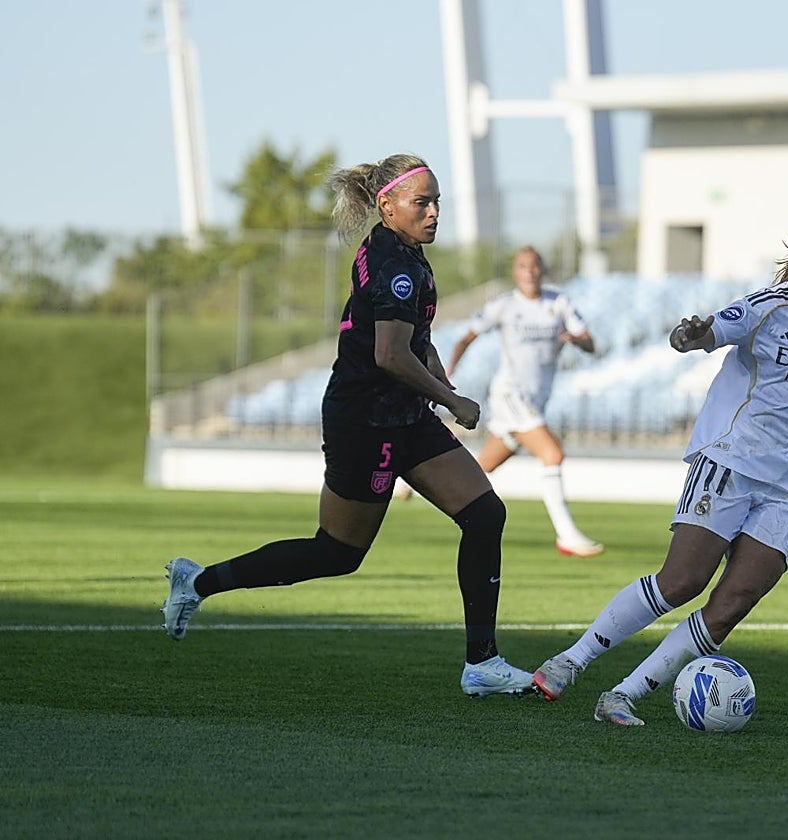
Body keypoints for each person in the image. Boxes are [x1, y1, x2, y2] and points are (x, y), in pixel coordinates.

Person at [160, 153, 534, 698]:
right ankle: (197, 581)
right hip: (367, 421)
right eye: (422, 202)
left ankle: (482, 663)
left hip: (404, 414)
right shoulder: (396, 264)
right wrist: (453, 403)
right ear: (387, 206)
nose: (433, 213)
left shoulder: (405, 252)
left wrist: (441, 389)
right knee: (338, 553)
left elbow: (414, 342)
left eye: (437, 202)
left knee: (483, 515)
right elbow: (389, 354)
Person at [530, 198, 788, 725]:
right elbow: (704, 332)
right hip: (732, 460)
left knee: (735, 599)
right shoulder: (767, 308)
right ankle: (570, 661)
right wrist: (689, 335)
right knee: (682, 581)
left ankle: (624, 695)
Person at [445, 246, 604, 557]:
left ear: (542, 270)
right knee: (553, 453)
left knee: (479, 469)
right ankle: (567, 535)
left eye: (534, 266)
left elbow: (590, 342)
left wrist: (577, 340)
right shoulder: (505, 305)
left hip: (536, 400)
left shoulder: (558, 303)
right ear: (515, 272)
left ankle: (413, 481)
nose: (530, 272)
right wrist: (449, 371)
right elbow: (468, 337)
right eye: (523, 266)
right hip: (510, 394)